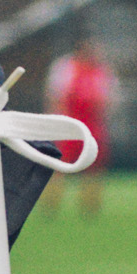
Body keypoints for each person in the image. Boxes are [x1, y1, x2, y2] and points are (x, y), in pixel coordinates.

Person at [42, 40, 116, 217]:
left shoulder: (102, 71)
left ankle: (90, 206)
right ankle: (51, 204)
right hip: (70, 126)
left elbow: (109, 99)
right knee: (59, 165)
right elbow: (55, 97)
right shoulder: (65, 68)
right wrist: (57, 124)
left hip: (93, 126)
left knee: (94, 167)